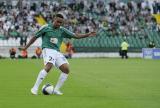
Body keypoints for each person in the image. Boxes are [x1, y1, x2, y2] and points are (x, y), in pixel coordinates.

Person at [21, 14, 96, 95]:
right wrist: (26, 47)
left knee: (66, 69)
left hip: (56, 51)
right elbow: (34, 37)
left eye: (61, 22)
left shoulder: (62, 30)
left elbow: (75, 36)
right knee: (49, 66)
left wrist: (87, 34)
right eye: (58, 22)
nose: (59, 24)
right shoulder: (45, 28)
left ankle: (56, 90)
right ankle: (35, 88)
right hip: (47, 49)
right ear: (54, 19)